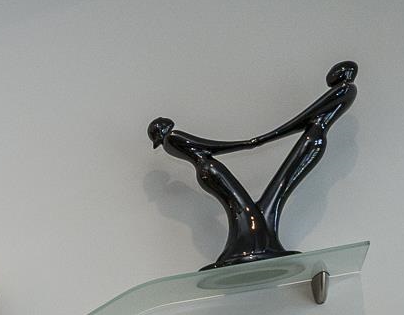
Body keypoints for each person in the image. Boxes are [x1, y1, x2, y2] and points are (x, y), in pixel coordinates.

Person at [149, 61, 358, 267]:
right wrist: (248, 143)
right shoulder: (173, 138)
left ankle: (258, 244)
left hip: (306, 144)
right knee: (248, 207)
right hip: (211, 169)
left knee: (262, 200)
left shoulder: (345, 90)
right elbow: (208, 147)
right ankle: (252, 246)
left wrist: (262, 140)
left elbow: (307, 117)